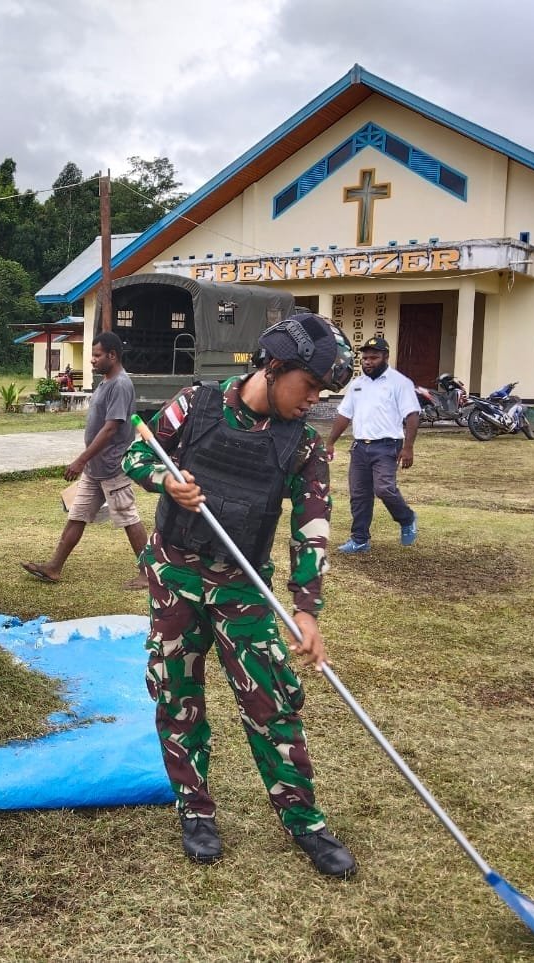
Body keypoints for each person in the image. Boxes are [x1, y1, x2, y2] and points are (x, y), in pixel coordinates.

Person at [122, 313, 359, 878]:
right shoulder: (196, 404)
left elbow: (313, 526)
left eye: (325, 393)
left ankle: (304, 822)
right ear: (274, 367)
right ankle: (195, 811)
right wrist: (165, 482)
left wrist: (307, 610)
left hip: (243, 586)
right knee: (177, 695)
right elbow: (137, 453)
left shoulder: (302, 444)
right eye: (310, 386)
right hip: (175, 575)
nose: (315, 401)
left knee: (271, 702)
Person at [22, 330, 149, 591]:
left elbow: (111, 428)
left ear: (112, 356)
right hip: (95, 468)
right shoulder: (105, 382)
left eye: (97, 355)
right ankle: (54, 568)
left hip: (113, 466)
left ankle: (147, 574)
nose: (92, 360)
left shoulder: (121, 384)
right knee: (77, 516)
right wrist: (87, 463)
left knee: (129, 518)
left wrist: (80, 460)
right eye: (92, 355)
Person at [325, 335, 420, 553]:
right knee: (359, 495)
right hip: (360, 447)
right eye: (365, 358)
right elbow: (344, 415)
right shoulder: (357, 385)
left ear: (385, 357)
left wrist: (408, 447)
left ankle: (406, 518)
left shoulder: (400, 383)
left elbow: (412, 415)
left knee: (384, 488)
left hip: (387, 446)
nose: (368, 362)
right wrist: (330, 442)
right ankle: (360, 539)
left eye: (374, 358)